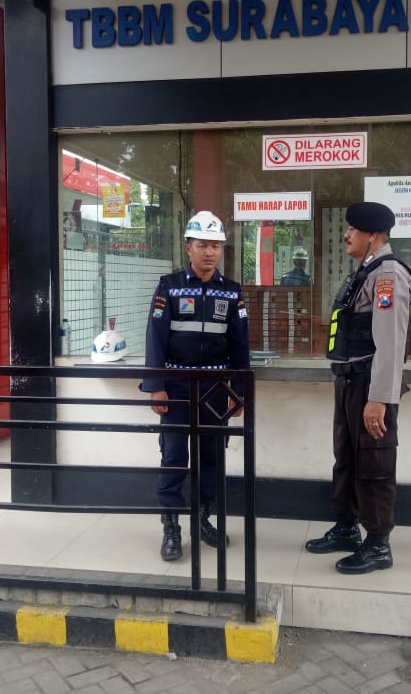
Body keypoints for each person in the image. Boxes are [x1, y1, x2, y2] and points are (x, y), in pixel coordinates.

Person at [305, 202, 411, 575]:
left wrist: (379, 399)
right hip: (351, 381)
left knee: (374, 463)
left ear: (373, 235)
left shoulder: (388, 276)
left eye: (352, 229)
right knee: (347, 459)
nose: (346, 234)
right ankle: (347, 527)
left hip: (370, 385)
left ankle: (378, 544)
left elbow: (391, 343)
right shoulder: (365, 272)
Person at [142, 210, 250, 561]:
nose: (210, 252)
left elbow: (240, 347)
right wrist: (156, 385)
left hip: (216, 390)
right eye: (203, 245)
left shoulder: (232, 292)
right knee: (173, 456)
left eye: (216, 246)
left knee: (211, 457)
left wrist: (239, 392)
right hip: (176, 388)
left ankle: (202, 519)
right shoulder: (169, 286)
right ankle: (171, 527)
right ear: (188, 247)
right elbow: (155, 338)